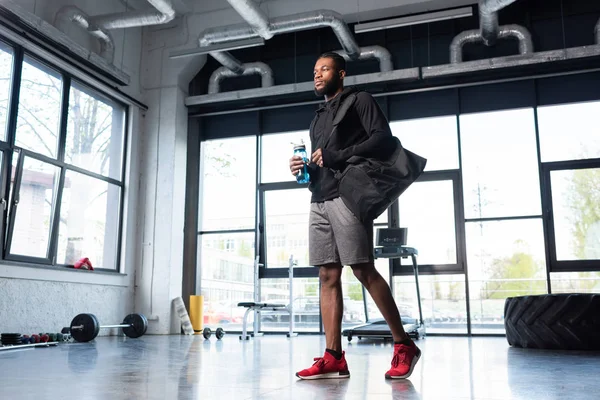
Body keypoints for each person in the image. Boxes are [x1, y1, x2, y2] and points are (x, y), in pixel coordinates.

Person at [289, 52, 421, 380]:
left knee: (362, 268)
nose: (318, 75)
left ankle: (404, 345)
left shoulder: (359, 100)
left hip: (348, 195)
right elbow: (321, 158)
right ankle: (333, 356)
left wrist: (339, 154)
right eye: (315, 70)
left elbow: (383, 139)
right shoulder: (318, 116)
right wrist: (301, 168)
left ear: (341, 73)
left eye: (325, 69)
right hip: (318, 197)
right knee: (327, 276)